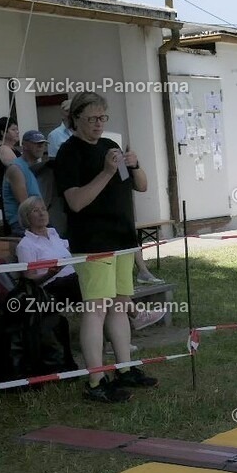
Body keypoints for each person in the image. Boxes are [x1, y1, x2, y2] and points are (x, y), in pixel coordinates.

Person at [55, 91, 159, 403]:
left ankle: (125, 369)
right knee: (96, 310)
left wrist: (135, 163)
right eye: (92, 119)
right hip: (93, 243)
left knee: (120, 305)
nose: (99, 124)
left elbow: (140, 185)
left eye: (103, 118)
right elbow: (75, 202)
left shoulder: (110, 146)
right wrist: (106, 172)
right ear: (76, 119)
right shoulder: (68, 153)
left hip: (122, 238)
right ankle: (95, 380)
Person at [15, 196, 82, 305]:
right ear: (26, 217)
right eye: (35, 211)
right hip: (52, 289)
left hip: (73, 280)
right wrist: (49, 273)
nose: (42, 213)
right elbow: (29, 280)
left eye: (43, 209)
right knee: (86, 283)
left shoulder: (55, 235)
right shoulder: (25, 245)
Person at [2, 130, 45, 236]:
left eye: (43, 144)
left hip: (39, 221)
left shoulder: (39, 167)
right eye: (36, 143)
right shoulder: (16, 168)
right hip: (23, 225)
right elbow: (26, 206)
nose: (40, 147)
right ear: (24, 145)